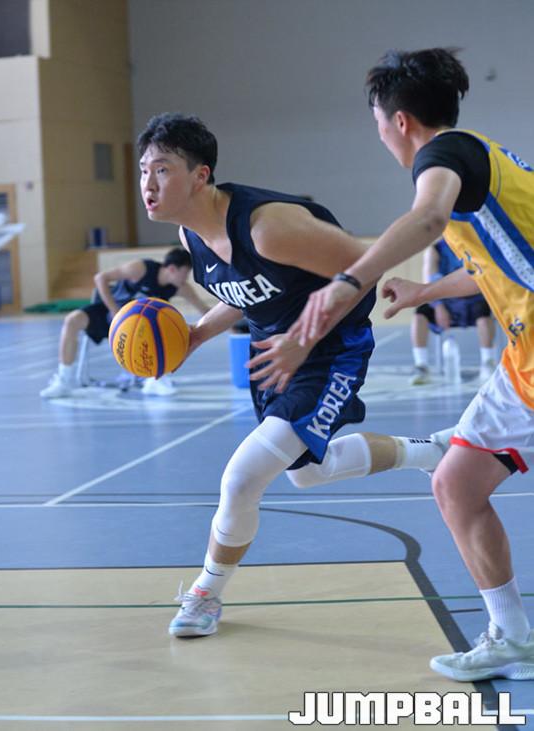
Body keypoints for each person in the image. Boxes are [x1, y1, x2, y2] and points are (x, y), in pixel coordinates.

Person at [137, 113, 449, 639]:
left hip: (328, 349)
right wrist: (196, 335)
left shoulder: (268, 227)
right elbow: (248, 292)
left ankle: (206, 594)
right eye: (144, 170)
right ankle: (431, 451)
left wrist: (305, 339)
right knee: (307, 472)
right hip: (275, 354)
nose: (148, 183)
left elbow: (365, 268)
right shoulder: (193, 238)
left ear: (200, 175)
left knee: (242, 478)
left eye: (162, 169)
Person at [279, 48, 534, 682]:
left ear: (399, 121)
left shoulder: (443, 155)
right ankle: (512, 638)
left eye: (377, 124)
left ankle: (512, 637)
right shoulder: (486, 159)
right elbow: (488, 268)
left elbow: (426, 218)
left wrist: (349, 281)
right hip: (522, 356)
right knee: (456, 484)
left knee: (455, 483)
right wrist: (423, 292)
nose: (381, 137)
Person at [40, 247, 209, 398]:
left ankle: (155, 379)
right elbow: (101, 278)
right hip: (110, 314)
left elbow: (204, 311)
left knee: (161, 334)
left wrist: (225, 327)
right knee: (72, 320)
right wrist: (115, 312)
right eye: (185, 272)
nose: (186, 277)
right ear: (172, 269)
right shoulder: (141, 269)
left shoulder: (180, 287)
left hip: (139, 329)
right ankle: (64, 380)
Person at [410, 237, 496, 385]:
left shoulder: (475, 243)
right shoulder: (435, 250)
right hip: (447, 302)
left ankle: (487, 362)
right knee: (420, 313)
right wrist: (439, 306)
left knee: (483, 311)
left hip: (473, 299)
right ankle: (421, 366)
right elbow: (430, 280)